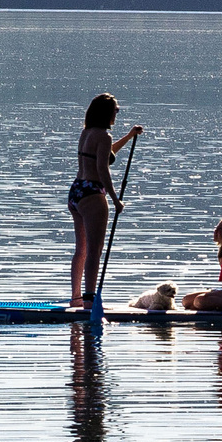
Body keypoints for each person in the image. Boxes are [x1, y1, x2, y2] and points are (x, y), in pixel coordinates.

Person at [67, 93, 144, 308]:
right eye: (115, 110)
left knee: (81, 249)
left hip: (76, 192)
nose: (116, 114)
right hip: (92, 194)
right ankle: (90, 301)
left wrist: (129, 136)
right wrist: (115, 199)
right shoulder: (104, 136)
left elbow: (106, 155)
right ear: (106, 112)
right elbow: (103, 169)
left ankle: (76, 298)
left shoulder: (87, 133)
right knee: (94, 251)